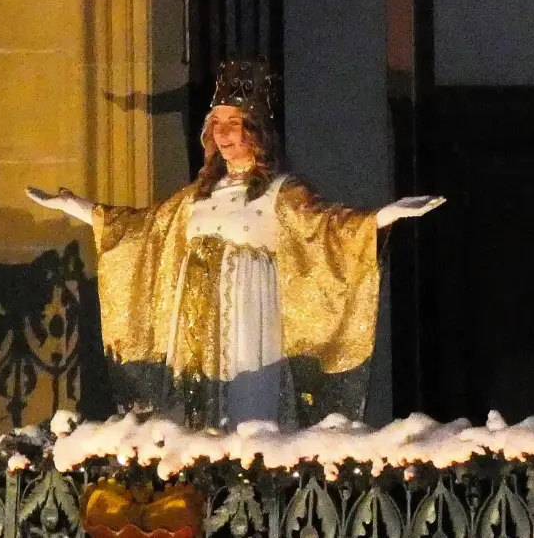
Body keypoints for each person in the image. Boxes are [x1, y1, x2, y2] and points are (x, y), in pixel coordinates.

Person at [27, 60, 443, 428]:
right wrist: (76, 206)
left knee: (247, 407)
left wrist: (383, 216)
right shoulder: (197, 195)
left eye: (234, 123)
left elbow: (329, 228)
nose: (223, 133)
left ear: (256, 131)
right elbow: (142, 229)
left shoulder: (282, 192)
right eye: (217, 124)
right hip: (193, 327)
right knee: (194, 417)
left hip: (248, 320)